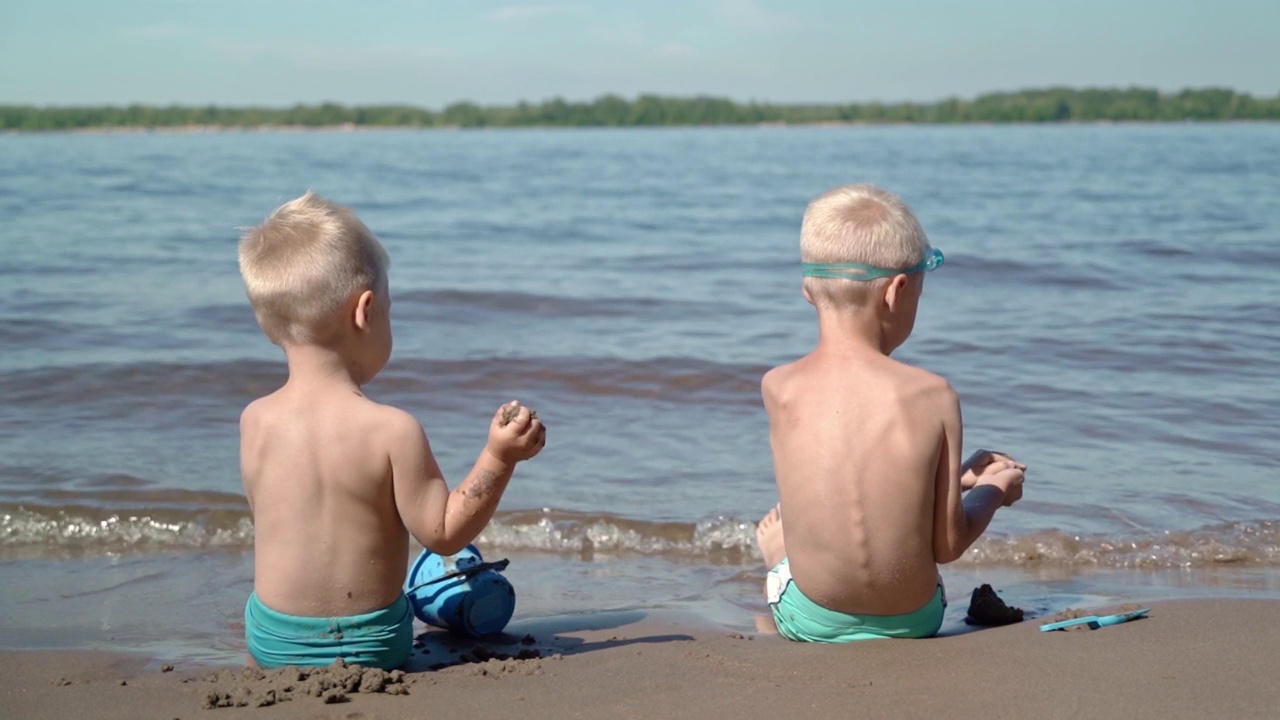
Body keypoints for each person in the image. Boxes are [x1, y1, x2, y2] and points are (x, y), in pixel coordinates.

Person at [236, 192, 546, 668]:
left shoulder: (254, 420)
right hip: (373, 646)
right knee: (445, 566)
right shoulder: (392, 430)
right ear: (364, 311)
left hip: (274, 643)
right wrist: (499, 457)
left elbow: (273, 516)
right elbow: (443, 532)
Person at [755, 184, 1025, 643]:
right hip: (914, 620)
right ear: (898, 291)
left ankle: (781, 554)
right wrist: (993, 489)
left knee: (787, 530)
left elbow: (840, 473)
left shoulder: (778, 387)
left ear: (807, 292)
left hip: (806, 618)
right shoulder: (933, 395)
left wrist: (954, 477)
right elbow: (948, 544)